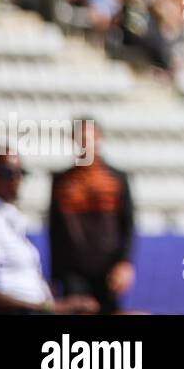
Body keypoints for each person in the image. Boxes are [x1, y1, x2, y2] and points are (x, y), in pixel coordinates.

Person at [0, 148, 99, 314]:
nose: (17, 179)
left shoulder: (9, 217)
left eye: (21, 173)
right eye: (8, 173)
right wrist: (51, 307)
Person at [47, 121, 135, 315]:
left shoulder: (116, 179)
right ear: (74, 141)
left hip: (108, 267)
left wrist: (125, 263)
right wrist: (54, 275)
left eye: (91, 139)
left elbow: (128, 225)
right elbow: (55, 229)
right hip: (73, 269)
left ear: (99, 139)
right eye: (82, 139)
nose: (86, 144)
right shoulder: (62, 181)